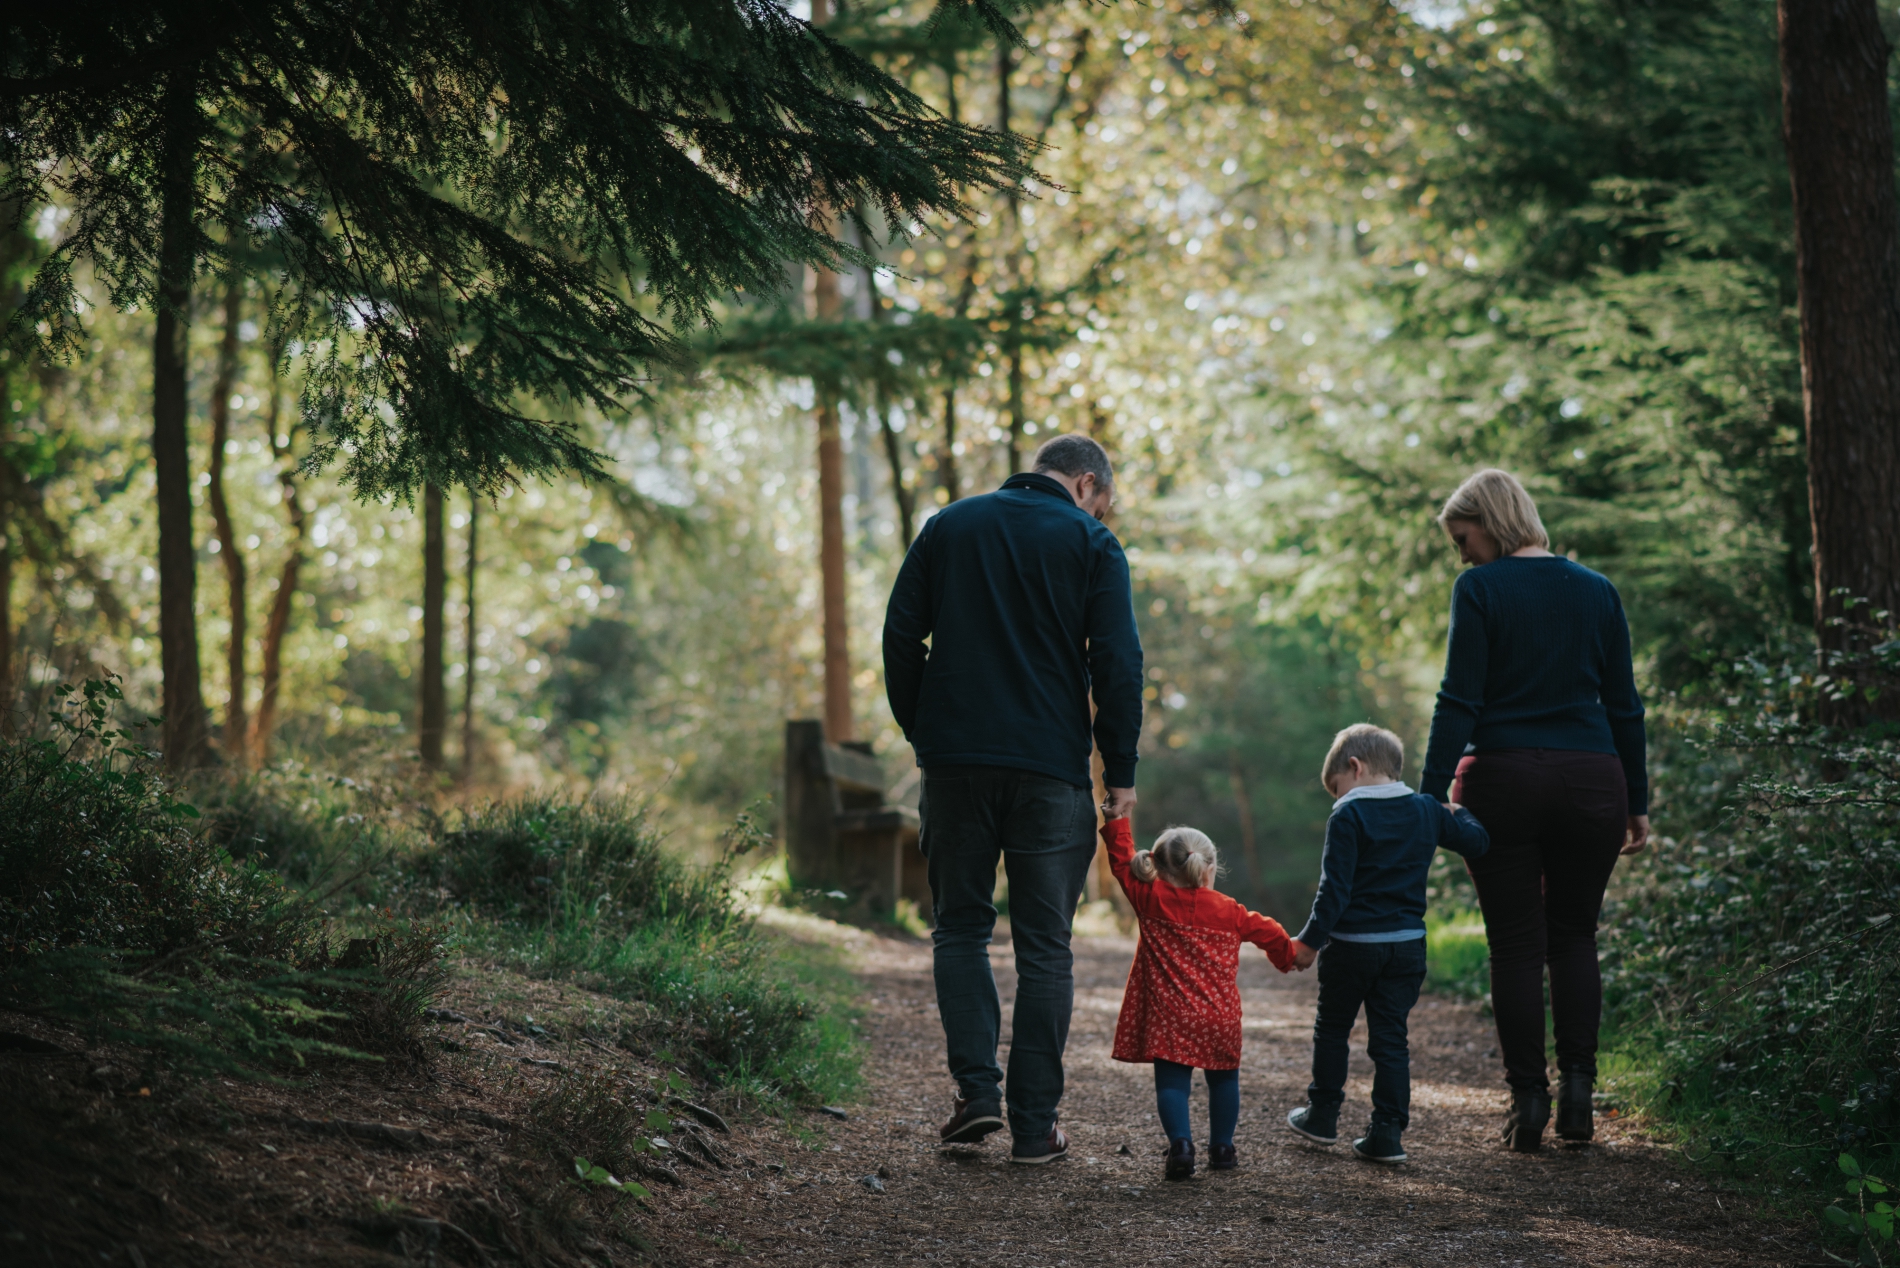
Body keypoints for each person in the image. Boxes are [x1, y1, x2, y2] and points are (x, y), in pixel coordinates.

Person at [882, 434, 1143, 1165]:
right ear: (1086, 483)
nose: (1101, 514)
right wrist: (1119, 770)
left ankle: (976, 1096)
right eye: (1103, 503)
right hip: (1050, 770)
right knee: (1045, 947)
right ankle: (1034, 1126)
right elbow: (1118, 663)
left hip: (955, 763)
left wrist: (924, 728)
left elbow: (900, 635)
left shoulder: (949, 525)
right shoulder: (1092, 543)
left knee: (961, 930)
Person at [1419, 468, 1649, 1152]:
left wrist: (1428, 795)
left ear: (1491, 523)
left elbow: (1459, 698)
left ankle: (1528, 1103)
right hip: (1592, 783)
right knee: (1575, 936)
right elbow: (1624, 704)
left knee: (1515, 943)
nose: (1463, 555)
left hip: (1503, 781)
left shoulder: (1481, 590)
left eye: (1463, 538)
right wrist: (1637, 800)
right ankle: (1578, 1093)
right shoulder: (1598, 590)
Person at [1283, 724, 1489, 1164]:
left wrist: (1310, 942)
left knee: (1333, 1028)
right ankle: (1387, 1133)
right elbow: (1478, 843)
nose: (1337, 797)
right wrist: (1459, 810)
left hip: (1351, 946)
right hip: (1406, 947)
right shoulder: (1426, 809)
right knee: (1391, 1039)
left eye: (1336, 787)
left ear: (1354, 767)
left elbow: (1334, 891)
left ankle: (1322, 1116)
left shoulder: (1348, 815)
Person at [1101, 816, 1294, 1181]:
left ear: (1157, 868)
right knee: (1224, 1082)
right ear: (1209, 869)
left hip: (1171, 1018)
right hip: (1220, 1017)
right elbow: (1269, 931)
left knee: (1172, 1084)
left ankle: (1181, 1145)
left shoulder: (1150, 899)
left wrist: (1117, 820)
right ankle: (1222, 1149)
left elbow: (1122, 862)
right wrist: (1287, 957)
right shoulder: (1230, 910)